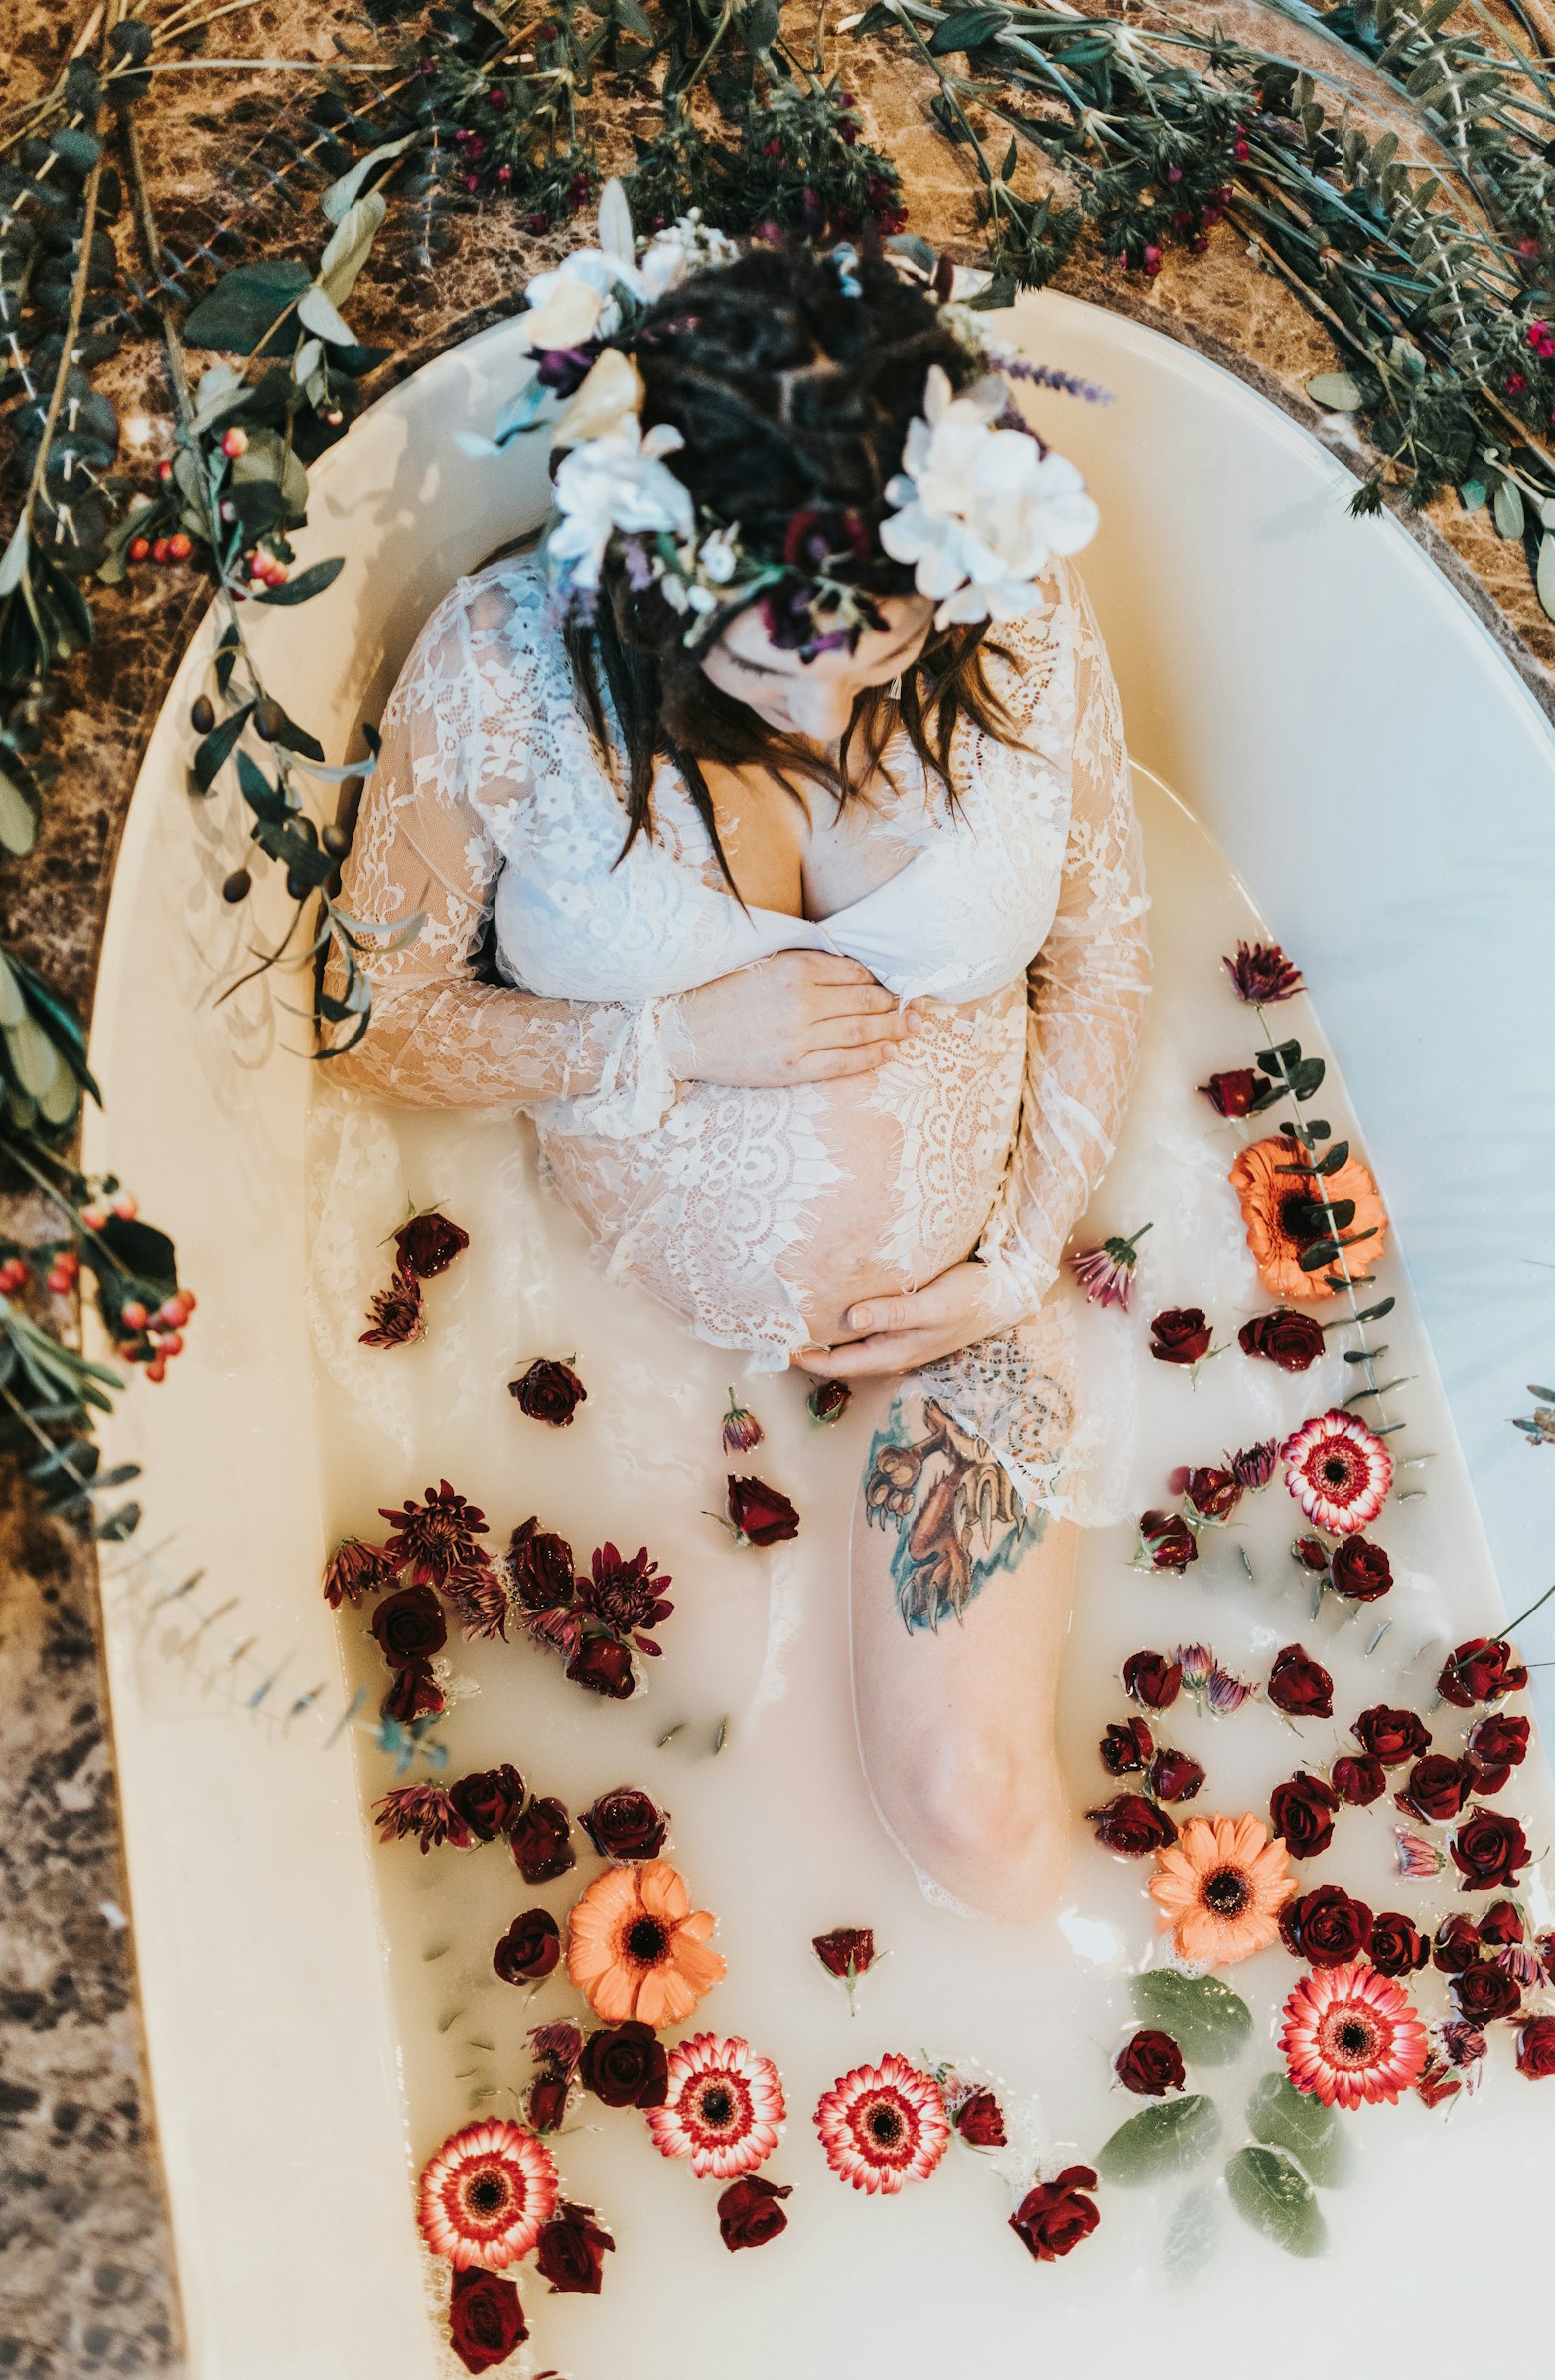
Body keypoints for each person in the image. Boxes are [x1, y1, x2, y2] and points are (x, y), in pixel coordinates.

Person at [326, 200, 1151, 1923]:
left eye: (890, 631)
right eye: (786, 642)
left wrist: (1013, 1260)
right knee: (667, 1866)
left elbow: (1102, 949)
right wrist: (664, 1034)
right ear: (665, 562)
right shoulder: (509, 674)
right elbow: (369, 1020)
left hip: (961, 1328)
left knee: (985, 1833)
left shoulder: (1012, 610)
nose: (839, 697)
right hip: (612, 1347)